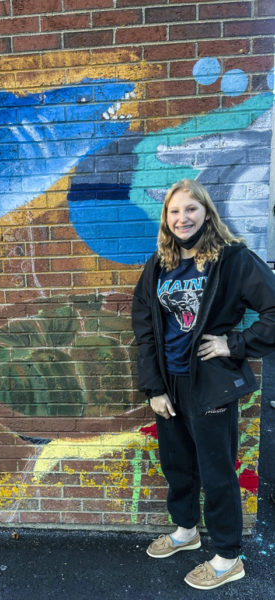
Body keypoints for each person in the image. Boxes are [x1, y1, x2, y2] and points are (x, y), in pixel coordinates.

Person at [132, 179, 275, 590]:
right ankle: (185, 531)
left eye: (191, 209)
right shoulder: (159, 265)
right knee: (177, 464)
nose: (183, 218)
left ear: (206, 213)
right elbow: (144, 328)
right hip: (169, 384)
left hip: (209, 384)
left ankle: (228, 555)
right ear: (166, 219)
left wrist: (236, 344)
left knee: (216, 471)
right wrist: (153, 387)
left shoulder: (232, 259)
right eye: (175, 212)